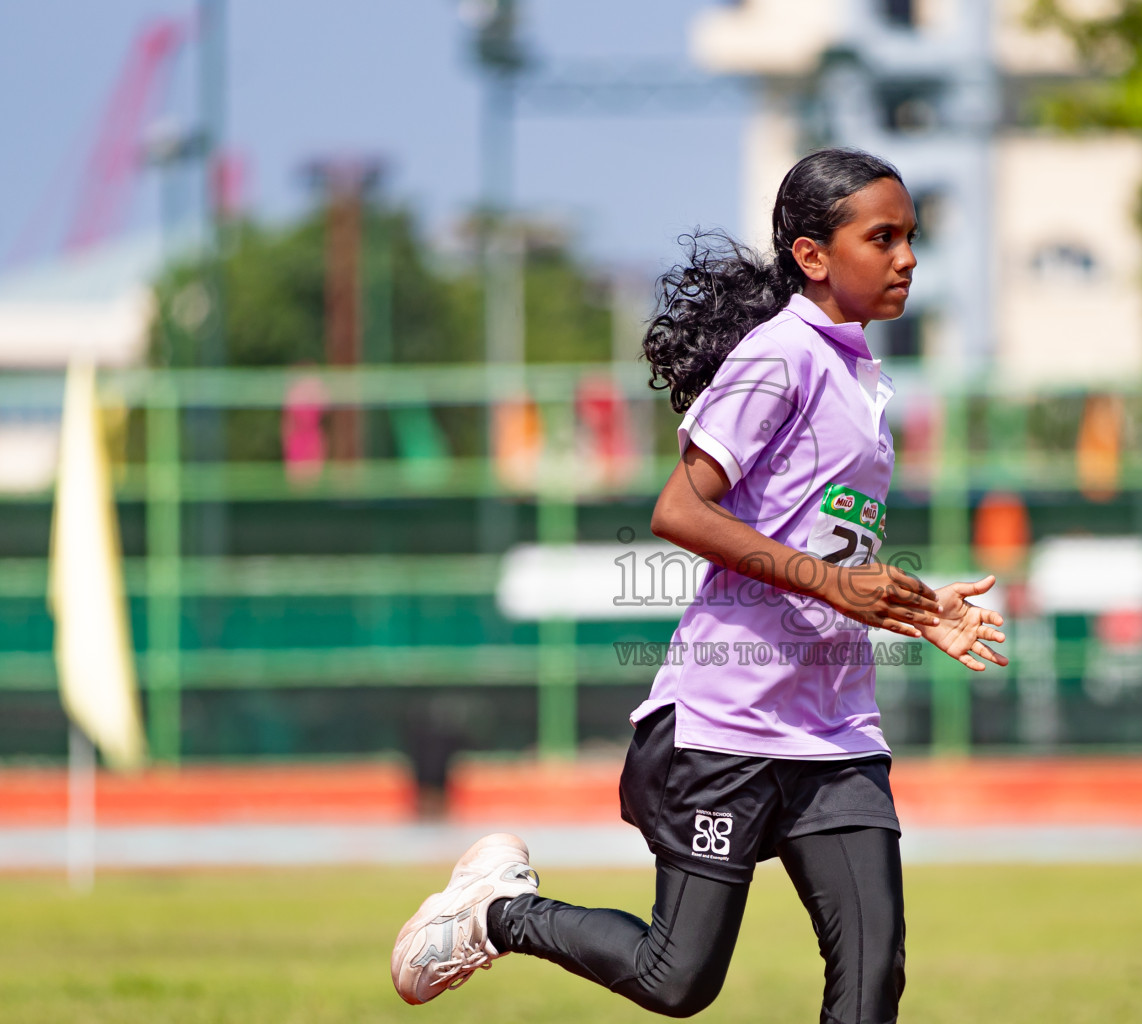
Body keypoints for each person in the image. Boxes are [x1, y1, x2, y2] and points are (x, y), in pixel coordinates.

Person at [389, 148, 1008, 1022]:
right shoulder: (778, 358)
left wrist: (914, 606)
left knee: (873, 980)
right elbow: (680, 509)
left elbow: (825, 540)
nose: (908, 257)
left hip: (835, 730)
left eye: (911, 237)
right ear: (813, 255)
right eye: (884, 237)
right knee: (677, 979)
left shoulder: (862, 375)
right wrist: (835, 586)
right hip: (730, 720)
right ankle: (498, 912)